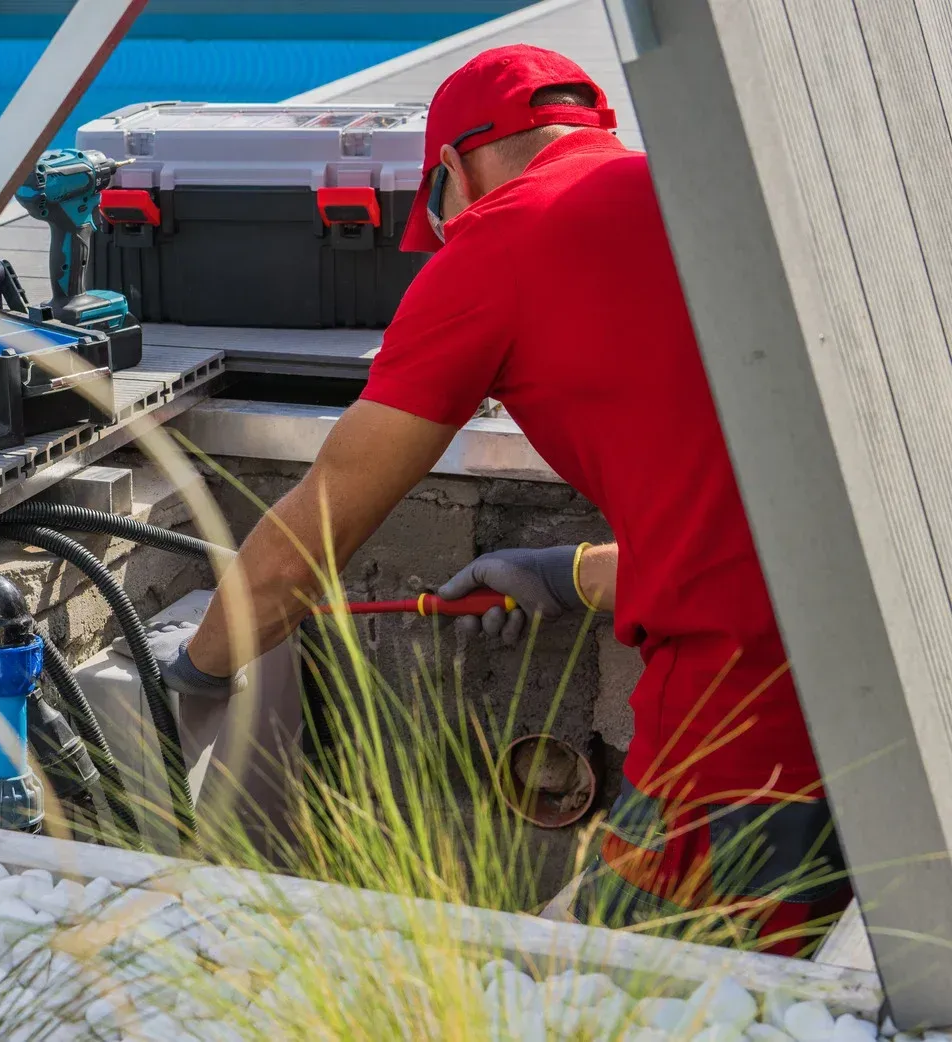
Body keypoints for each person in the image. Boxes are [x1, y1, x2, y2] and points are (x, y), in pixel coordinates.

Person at [154, 44, 850, 953]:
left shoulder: (501, 237)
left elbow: (312, 535)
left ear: (450, 170)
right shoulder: (701, 192)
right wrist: (563, 574)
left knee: (617, 983)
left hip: (749, 701)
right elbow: (739, 499)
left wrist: (199, 667)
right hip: (883, 643)